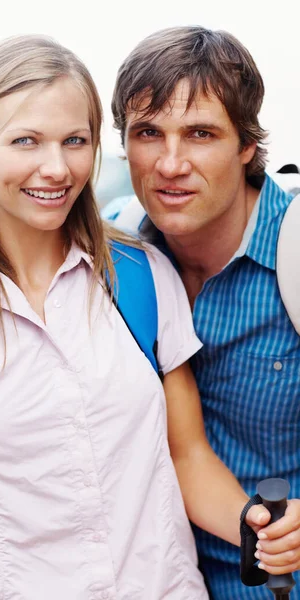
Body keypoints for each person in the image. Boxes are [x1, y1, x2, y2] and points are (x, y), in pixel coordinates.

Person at [0, 35, 297, 600]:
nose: (56, 168)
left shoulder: (142, 275)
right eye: (26, 141)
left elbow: (186, 453)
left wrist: (253, 523)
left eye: (75, 141)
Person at [107, 25, 300, 599]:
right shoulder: (112, 260)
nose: (170, 164)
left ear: (246, 145)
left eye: (199, 134)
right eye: (148, 132)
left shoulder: (294, 248)